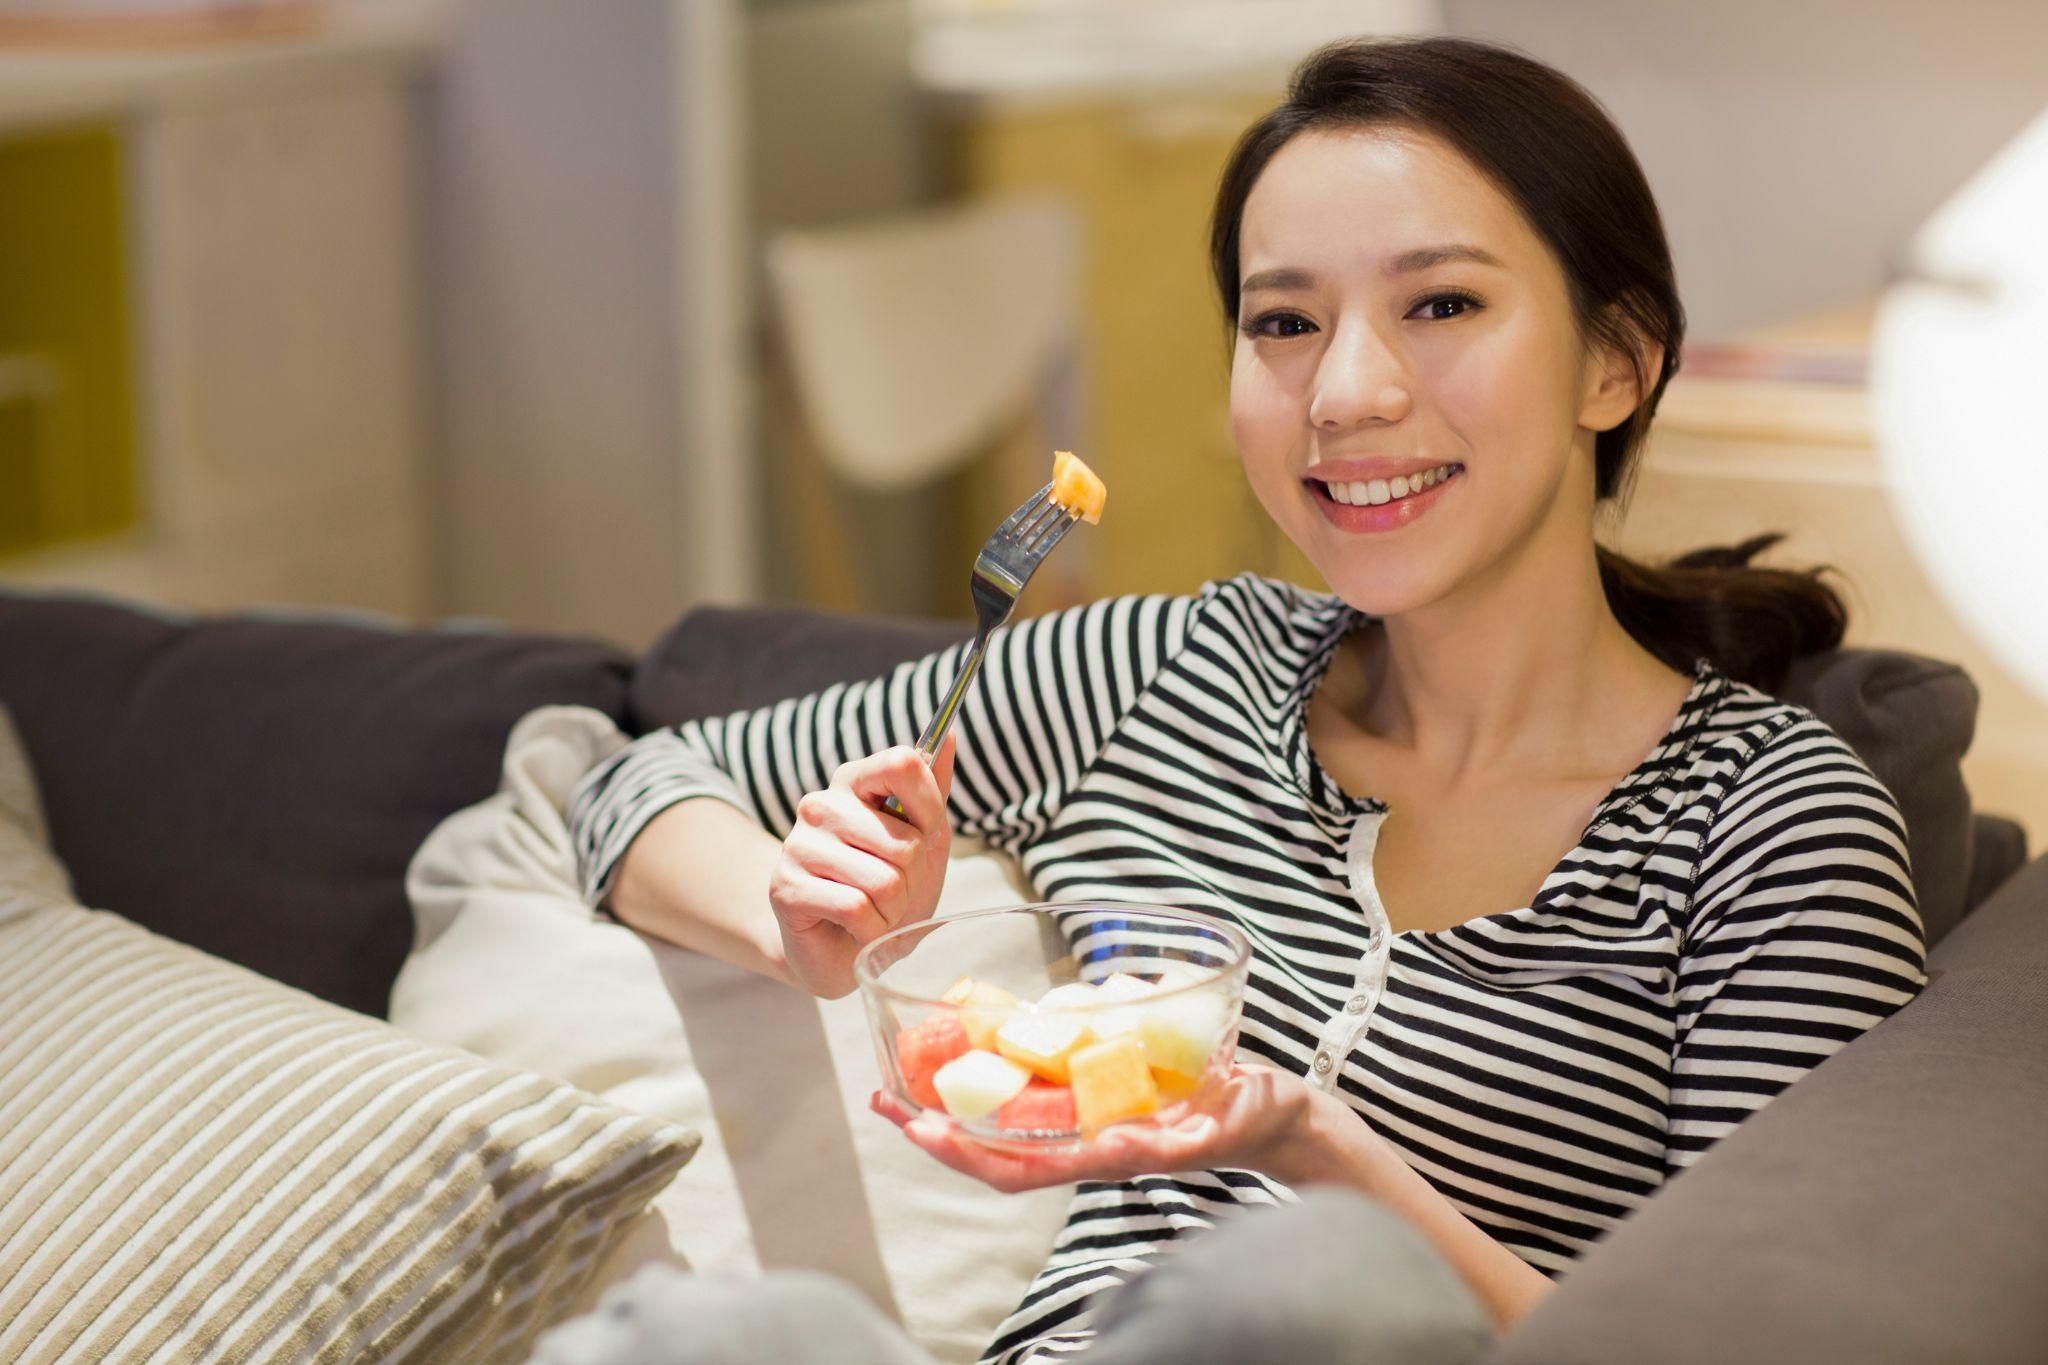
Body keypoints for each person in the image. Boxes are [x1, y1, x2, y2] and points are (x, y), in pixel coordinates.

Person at [565, 35, 1928, 1365]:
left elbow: (1760, 1340)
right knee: (710, 1332)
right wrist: (802, 919)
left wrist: (1309, 1144)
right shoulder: (1164, 671)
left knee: (1320, 1288)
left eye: (1440, 304)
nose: (1344, 390)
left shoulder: (1775, 827)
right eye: (1283, 322)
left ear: (1614, 363)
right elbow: (634, 776)